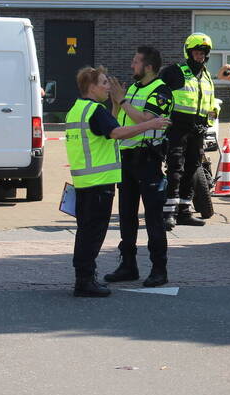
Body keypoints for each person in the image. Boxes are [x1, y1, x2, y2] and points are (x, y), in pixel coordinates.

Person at [66, 65, 170, 297]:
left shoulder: (78, 109)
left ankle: (84, 277)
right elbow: (117, 133)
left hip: (85, 182)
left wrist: (114, 105)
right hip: (98, 184)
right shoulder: (94, 110)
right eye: (103, 83)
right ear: (91, 87)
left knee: (85, 232)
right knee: (92, 235)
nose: (107, 87)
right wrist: (150, 125)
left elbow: (106, 130)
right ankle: (85, 282)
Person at [104, 46, 173, 288]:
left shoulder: (161, 91)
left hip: (147, 159)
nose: (132, 65)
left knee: (153, 217)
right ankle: (128, 265)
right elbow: (117, 118)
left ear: (149, 67)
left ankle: (159, 268)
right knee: (126, 215)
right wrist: (115, 102)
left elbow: (145, 120)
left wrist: (121, 100)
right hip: (126, 158)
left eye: (136, 62)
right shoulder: (132, 88)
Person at [159, 33, 216, 228]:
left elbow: (208, 101)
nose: (200, 56)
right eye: (197, 52)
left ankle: (184, 211)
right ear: (189, 52)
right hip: (178, 128)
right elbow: (159, 95)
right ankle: (169, 213)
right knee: (175, 169)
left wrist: (214, 112)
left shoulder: (206, 74)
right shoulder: (174, 71)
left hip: (199, 128)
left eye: (203, 53)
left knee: (192, 169)